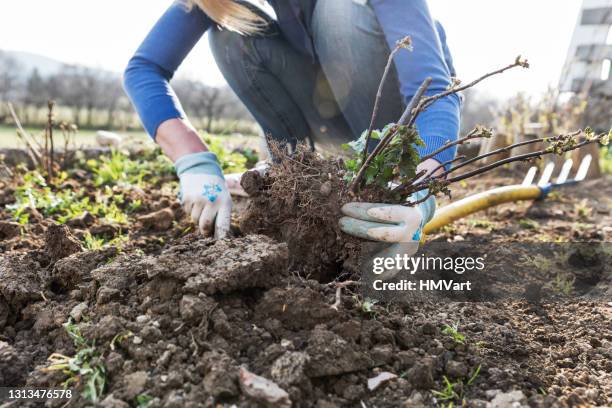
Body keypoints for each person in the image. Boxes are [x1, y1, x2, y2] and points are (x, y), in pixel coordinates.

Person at [123, 0, 460, 242]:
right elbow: (145, 68)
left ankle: (383, 180)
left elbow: (433, 90)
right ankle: (289, 174)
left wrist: (416, 192)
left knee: (336, 11)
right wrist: (193, 161)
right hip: (327, 109)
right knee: (232, 31)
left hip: (393, 124)